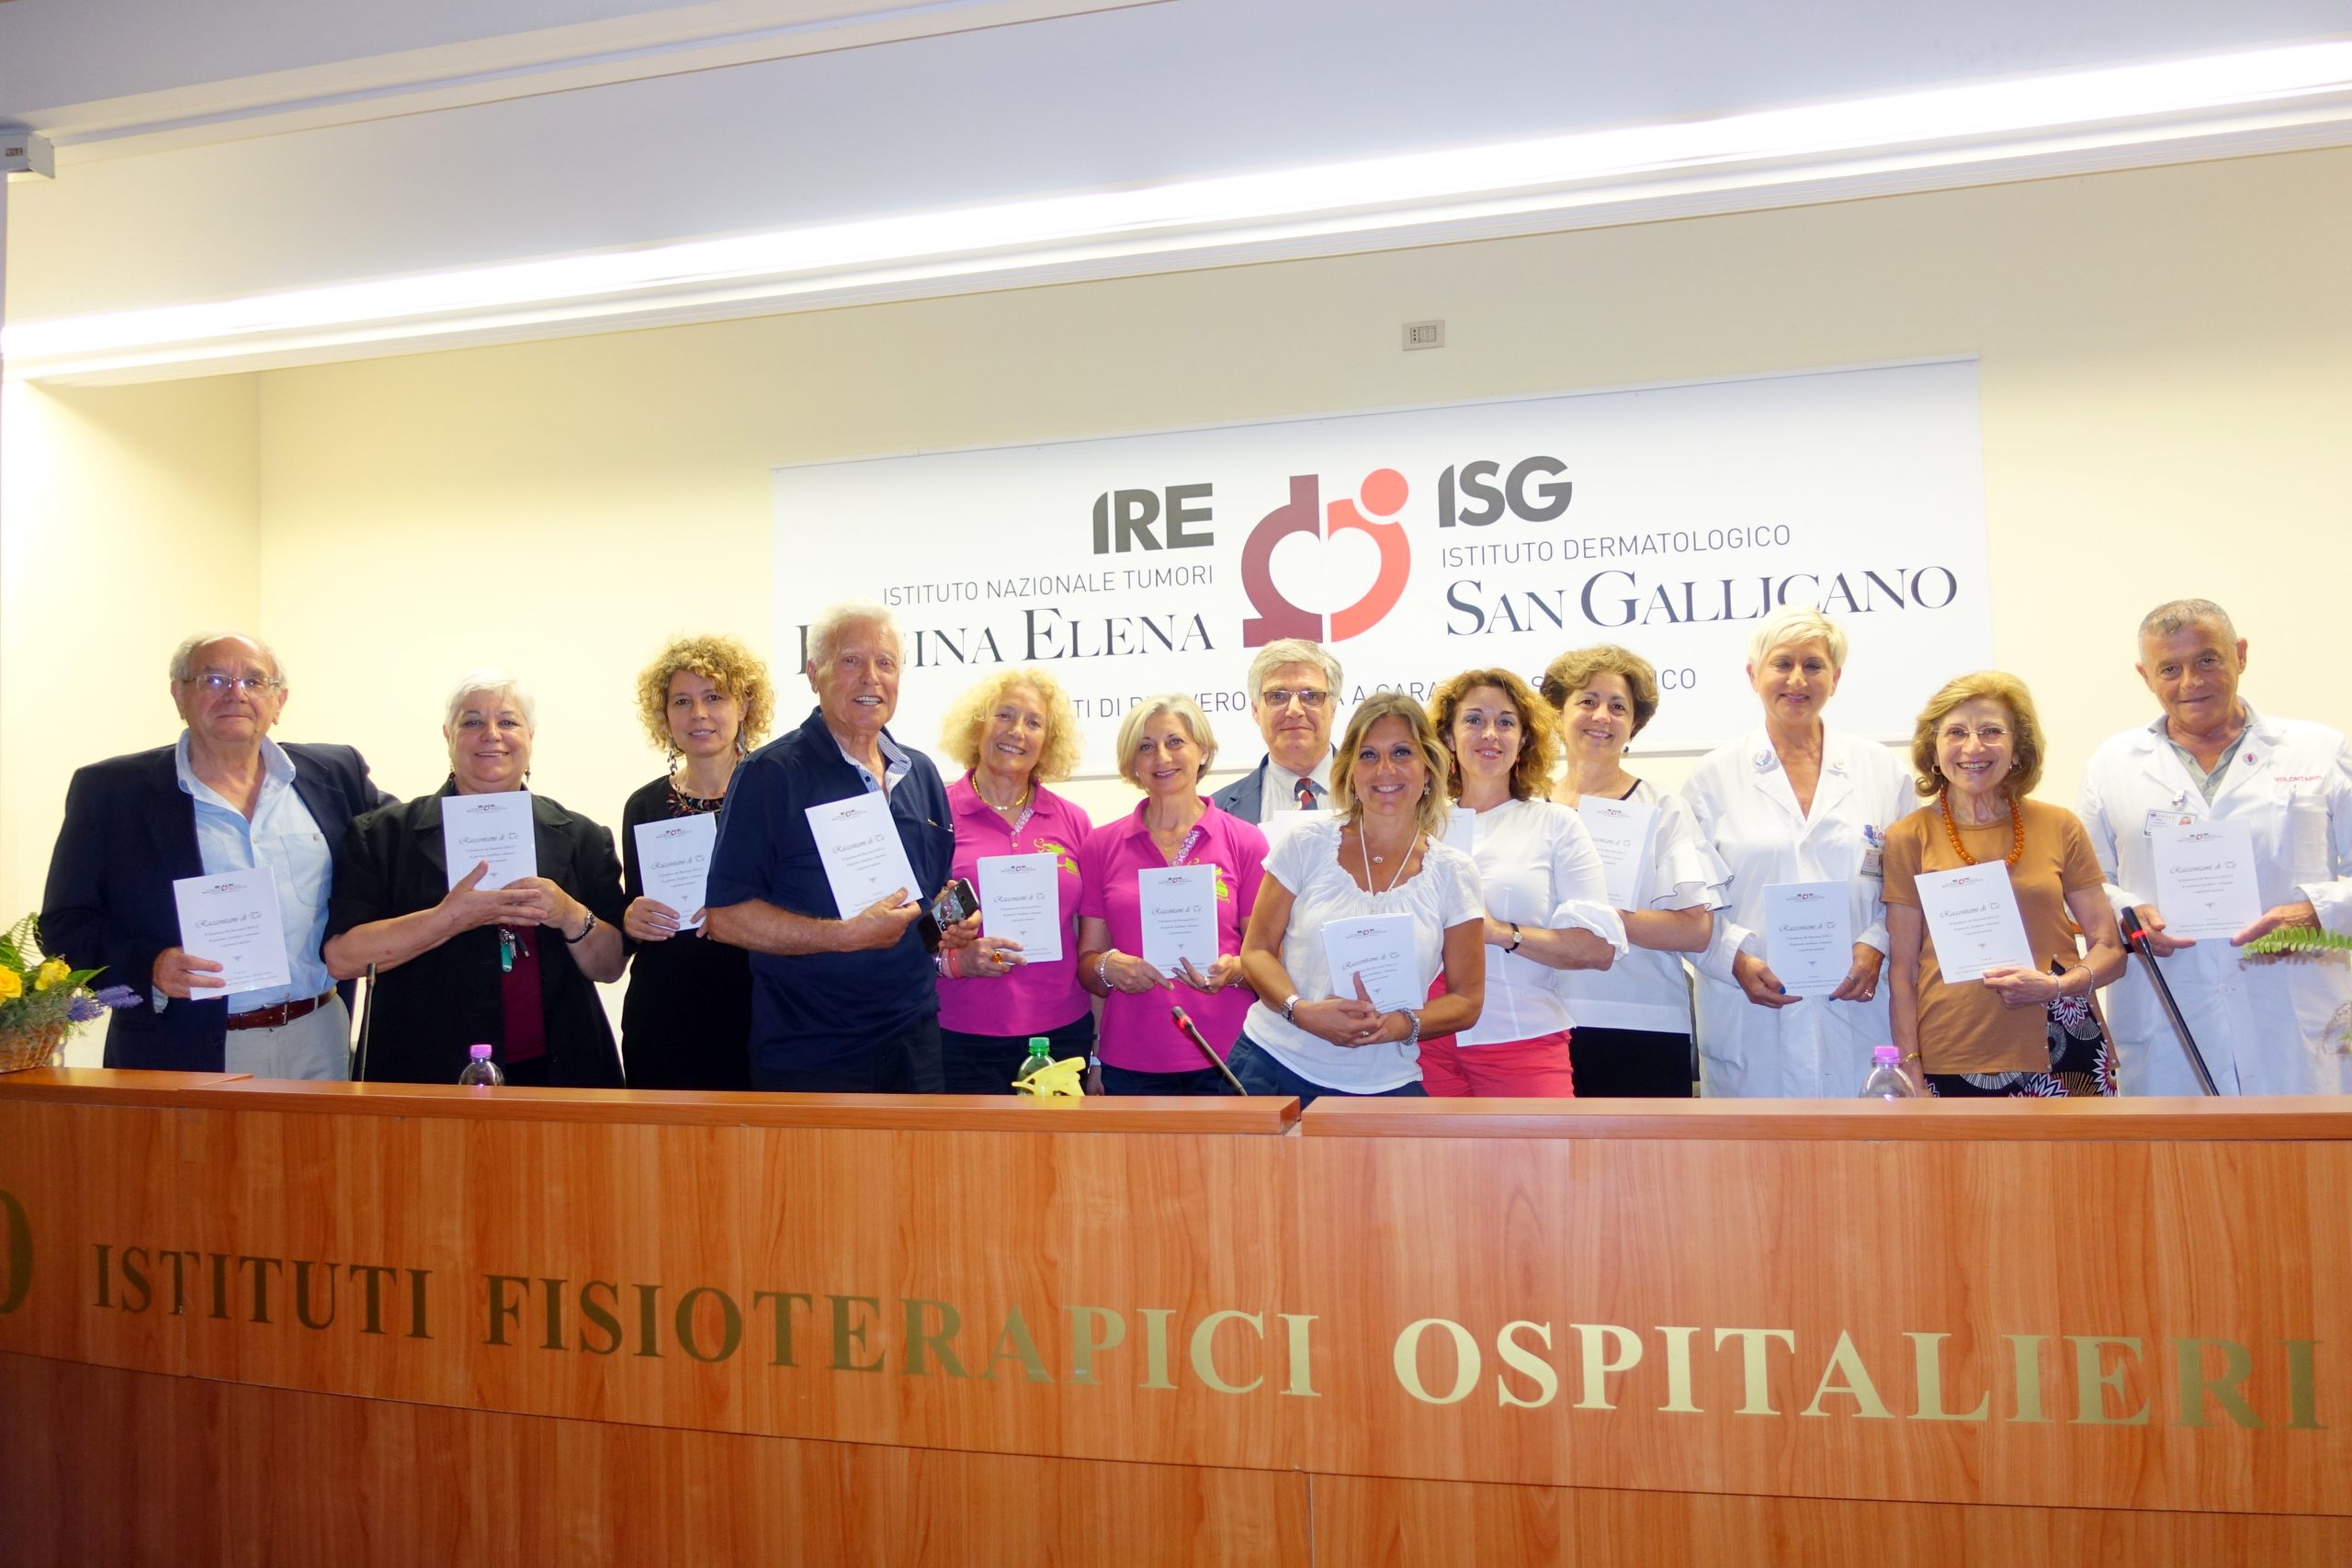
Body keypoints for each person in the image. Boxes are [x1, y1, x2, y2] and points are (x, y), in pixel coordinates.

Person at [40, 631, 389, 1077]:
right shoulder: (112, 792)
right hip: (183, 1048)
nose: (236, 694)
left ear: (279, 701)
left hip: (320, 1036)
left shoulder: (335, 774)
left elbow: (406, 843)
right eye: (214, 679)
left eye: (254, 681)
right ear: (179, 695)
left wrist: (471, 789)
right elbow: (64, 925)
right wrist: (150, 968)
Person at [2078, 598, 2352, 1095]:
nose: (2191, 682)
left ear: (2240, 654)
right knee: (2180, 1146)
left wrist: (2316, 911)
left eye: (2207, 659)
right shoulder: (2112, 763)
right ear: (2145, 675)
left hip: (2293, 1012)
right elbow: (2086, 883)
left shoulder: (2320, 749)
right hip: (2168, 1015)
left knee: (2303, 1145)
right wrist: (2128, 914)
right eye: (2169, 668)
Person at [702, 601, 974, 1093]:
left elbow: (923, 908)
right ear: (814, 674)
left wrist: (949, 923)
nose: (871, 678)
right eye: (851, 660)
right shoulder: (769, 774)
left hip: (914, 1042)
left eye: (886, 663)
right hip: (811, 1052)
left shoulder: (921, 774)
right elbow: (725, 917)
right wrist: (845, 936)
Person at [323, 671, 627, 1086]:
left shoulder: (582, 836)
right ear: (448, 735)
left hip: (560, 1073)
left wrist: (569, 914)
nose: (491, 734)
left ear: (530, 735)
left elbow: (611, 967)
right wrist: (448, 919)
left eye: (508, 721)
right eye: (472, 722)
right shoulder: (381, 836)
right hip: (422, 1074)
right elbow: (343, 959)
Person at [1680, 608, 1910, 1097]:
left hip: (1857, 1006)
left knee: (1863, 1139)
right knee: (1757, 1143)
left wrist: (1877, 945)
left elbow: (1909, 886)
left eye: (1814, 665)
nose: (1797, 680)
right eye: (1782, 663)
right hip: (1752, 1016)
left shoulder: (1882, 771)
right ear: (1753, 675)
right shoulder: (1712, 777)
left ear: (1836, 678)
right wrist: (1733, 957)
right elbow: (1690, 900)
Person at [1234, 693, 1485, 1104]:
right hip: (1271, 1068)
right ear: (1350, 771)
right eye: (1369, 755)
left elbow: (1467, 1002)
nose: (1385, 769)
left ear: (1428, 767)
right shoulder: (1305, 843)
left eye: (1402, 752)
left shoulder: (1454, 873)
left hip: (1383, 1085)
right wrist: (1301, 1010)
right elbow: (1257, 950)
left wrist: (1398, 1026)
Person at [1883, 672, 2125, 1096]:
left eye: (1992, 731)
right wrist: (1909, 1066)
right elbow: (1902, 973)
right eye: (1956, 732)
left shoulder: (2060, 825)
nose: (1973, 747)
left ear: (2018, 750)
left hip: (2063, 1046)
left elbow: (2110, 950)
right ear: (1933, 750)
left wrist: (2057, 986)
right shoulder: (1908, 837)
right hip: (1950, 1052)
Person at [1427, 668, 1625, 1096]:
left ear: (1523, 740)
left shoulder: (1556, 823)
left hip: (1521, 1037)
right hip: (1425, 1042)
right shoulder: (1420, 828)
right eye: (1474, 720)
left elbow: (1598, 949)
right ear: (1447, 737)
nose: (1490, 734)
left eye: (1505, 722)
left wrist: (1499, 932)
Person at [1541, 645, 1726, 1098]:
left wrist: (1597, 919)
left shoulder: (1663, 807)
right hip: (1538, 1024)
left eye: (1618, 706)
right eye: (1587, 701)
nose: (1601, 716)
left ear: (1634, 724)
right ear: (1557, 714)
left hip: (1642, 1028)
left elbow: (1696, 930)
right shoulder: (1525, 807)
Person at [1076, 696, 1267, 1093]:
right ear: (1132, 764)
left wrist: (1235, 970)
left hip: (1228, 1056)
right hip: (1131, 1058)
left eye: (1175, 742)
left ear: (1203, 752)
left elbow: (1266, 956)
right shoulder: (1101, 845)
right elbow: (1088, 964)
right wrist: (1109, 967)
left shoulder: (1245, 841)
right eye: (1146, 746)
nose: (1161, 757)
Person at [618, 634, 774, 1091]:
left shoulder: (776, 794)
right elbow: (634, 908)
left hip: (759, 1012)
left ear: (744, 706)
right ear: (665, 715)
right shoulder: (643, 805)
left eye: (714, 697)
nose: (698, 714)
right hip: (665, 1020)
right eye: (682, 701)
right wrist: (630, 919)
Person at [935, 669, 1095, 1092]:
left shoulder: (1074, 821)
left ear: (1048, 741)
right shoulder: (935, 814)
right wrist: (958, 959)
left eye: (1033, 722)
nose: (1017, 732)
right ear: (978, 725)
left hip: (1062, 1033)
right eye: (1004, 715)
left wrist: (1097, 1050)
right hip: (960, 1034)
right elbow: (911, 931)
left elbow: (1092, 938)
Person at [1211, 638, 1342, 822]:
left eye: (1311, 696)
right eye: (1278, 696)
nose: (1294, 710)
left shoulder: (1377, 792)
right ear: (1255, 710)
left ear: (1333, 709)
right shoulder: (1217, 812)